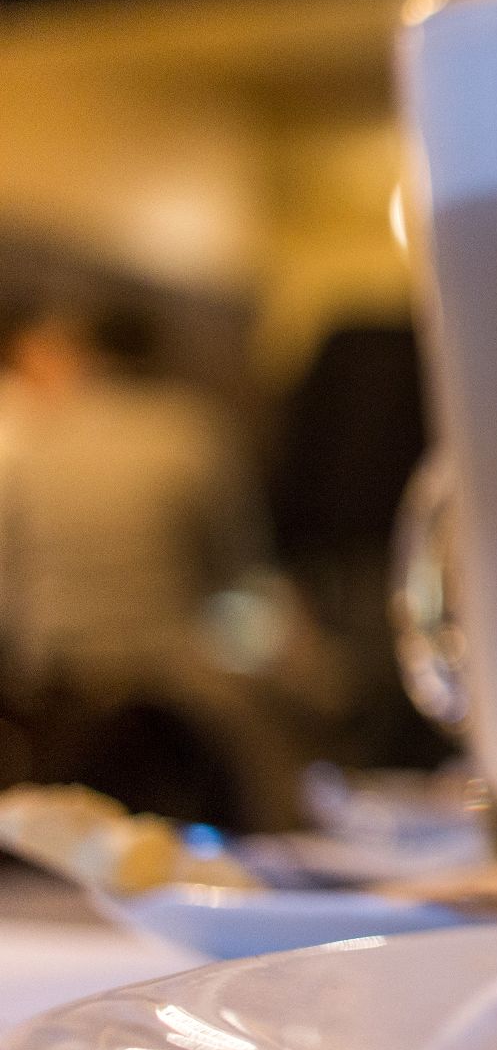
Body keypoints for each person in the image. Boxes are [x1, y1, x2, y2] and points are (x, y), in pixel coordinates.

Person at [0, 303, 312, 828]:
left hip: (54, 705)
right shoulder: (188, 431)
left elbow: (8, 600)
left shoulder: (16, 443)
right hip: (178, 699)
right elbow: (238, 574)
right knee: (279, 767)